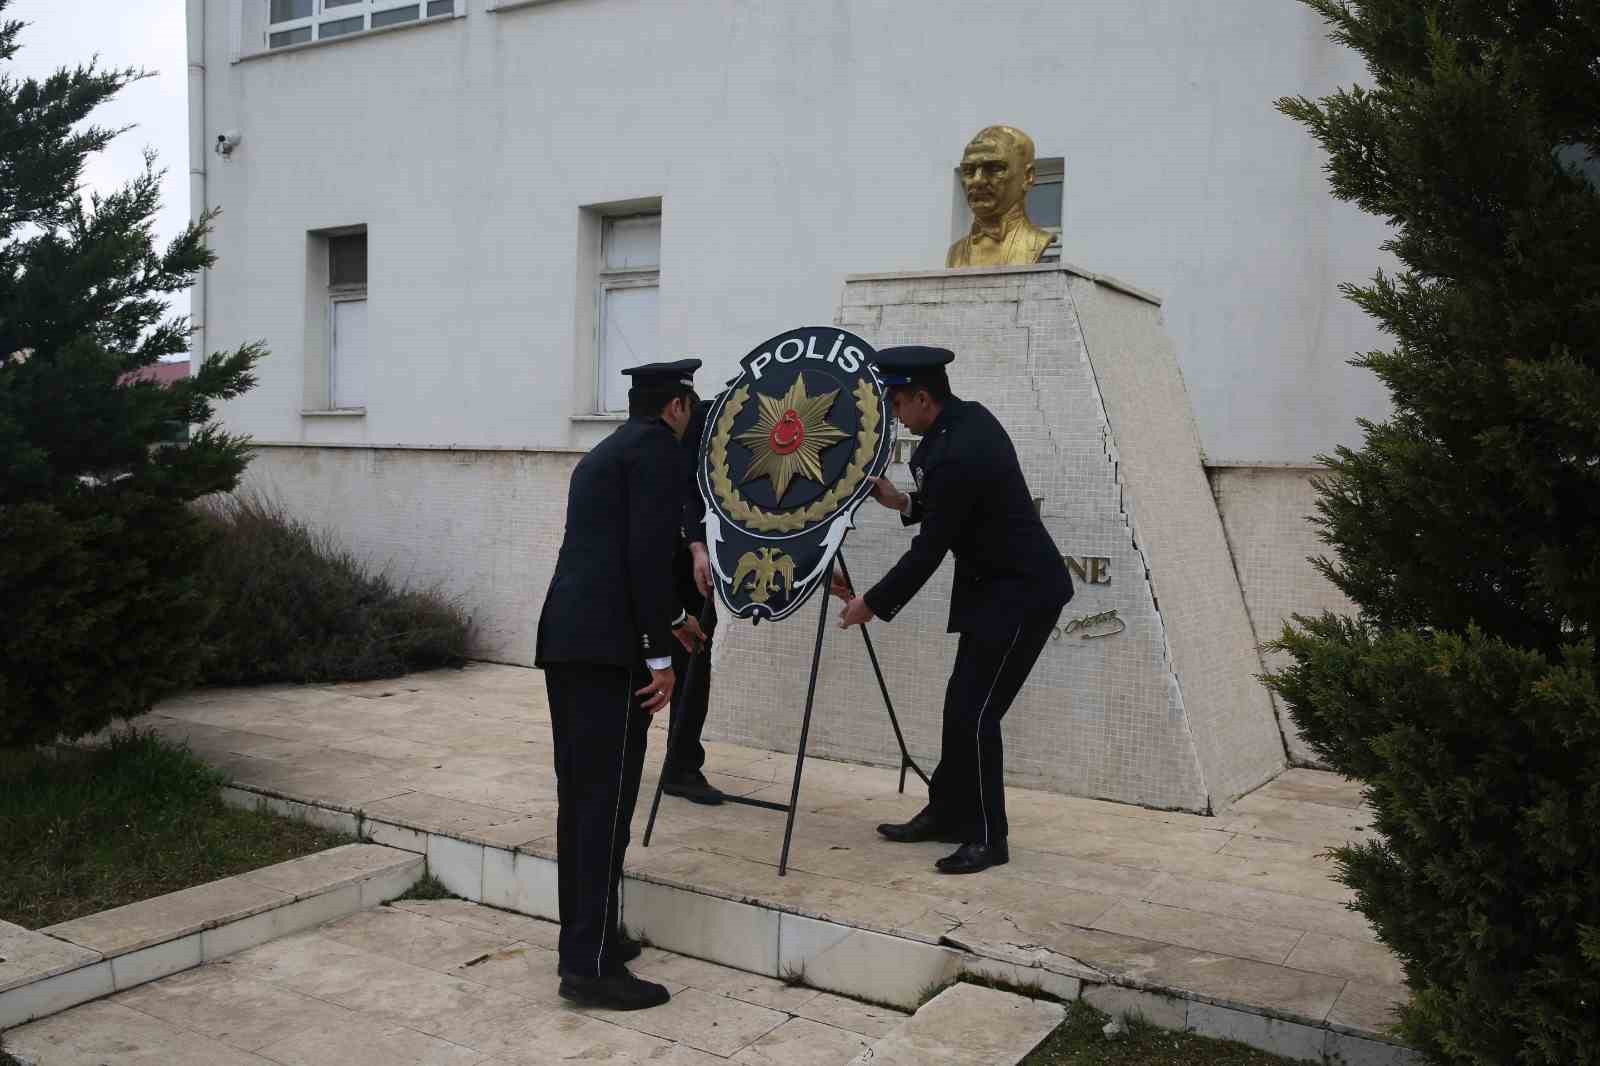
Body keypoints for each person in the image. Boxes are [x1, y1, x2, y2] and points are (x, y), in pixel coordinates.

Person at [834, 345, 1071, 874]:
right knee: (959, 709)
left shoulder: (961, 447)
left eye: (896, 402)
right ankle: (946, 811)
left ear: (923, 397)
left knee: (978, 715)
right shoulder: (960, 425)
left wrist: (869, 603)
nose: (894, 413)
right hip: (993, 591)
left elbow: (932, 548)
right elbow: (954, 506)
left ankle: (989, 837)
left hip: (1022, 594)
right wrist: (903, 503)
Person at [534, 358, 708, 1009]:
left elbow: (616, 556)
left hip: (570, 641)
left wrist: (675, 618)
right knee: (603, 805)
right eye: (689, 409)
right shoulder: (660, 453)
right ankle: (591, 965)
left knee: (581, 799)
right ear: (676, 407)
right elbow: (641, 557)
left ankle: (593, 935)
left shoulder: (609, 452)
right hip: (608, 654)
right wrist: (659, 657)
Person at [661, 392, 726, 805]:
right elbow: (689, 490)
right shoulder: (705, 423)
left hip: (695, 571)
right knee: (674, 663)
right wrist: (697, 545)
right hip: (673, 566)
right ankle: (679, 765)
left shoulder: (724, 420)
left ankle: (682, 763)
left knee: (693, 667)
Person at [945, 125, 1054, 269]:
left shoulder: (1036, 242)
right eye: (968, 170)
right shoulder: (955, 253)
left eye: (995, 169)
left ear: (1027, 177)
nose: (978, 180)